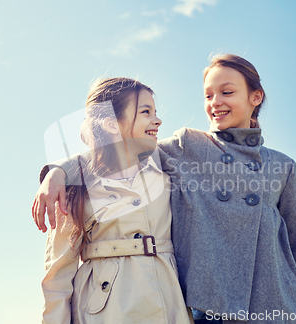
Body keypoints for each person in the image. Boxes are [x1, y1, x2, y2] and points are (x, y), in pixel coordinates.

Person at [34, 55, 296, 324]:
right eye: (208, 95)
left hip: (279, 306)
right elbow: (115, 149)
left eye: (227, 92)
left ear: (255, 97)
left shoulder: (283, 166)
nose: (215, 102)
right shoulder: (188, 147)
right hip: (208, 309)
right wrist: (58, 171)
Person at [40, 77, 193, 324]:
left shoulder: (168, 176)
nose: (157, 120)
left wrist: (57, 169)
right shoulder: (74, 190)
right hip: (101, 313)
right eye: (146, 112)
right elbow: (57, 279)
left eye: (155, 112)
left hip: (169, 305)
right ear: (111, 123)